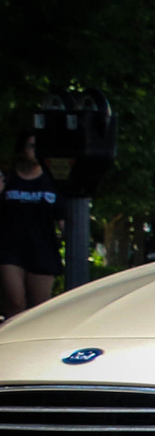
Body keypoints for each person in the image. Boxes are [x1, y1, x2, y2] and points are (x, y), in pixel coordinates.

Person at [0, 133, 63, 316]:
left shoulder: (52, 181)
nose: (36, 151)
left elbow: (61, 217)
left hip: (42, 250)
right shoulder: (8, 178)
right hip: (10, 250)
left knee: (38, 311)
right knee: (15, 302)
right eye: (32, 146)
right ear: (21, 150)